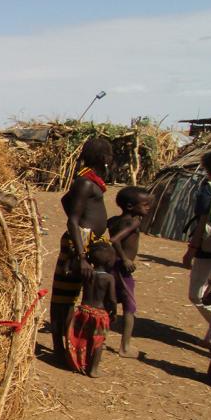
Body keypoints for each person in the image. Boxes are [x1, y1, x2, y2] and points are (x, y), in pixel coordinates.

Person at [50, 137, 113, 356]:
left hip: (87, 241)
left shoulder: (90, 182)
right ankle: (59, 346)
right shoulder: (85, 182)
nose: (111, 159)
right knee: (64, 297)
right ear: (103, 158)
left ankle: (68, 343)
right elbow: (72, 219)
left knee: (76, 294)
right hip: (80, 244)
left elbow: (66, 201)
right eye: (109, 155)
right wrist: (81, 255)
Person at [182, 150, 211, 343]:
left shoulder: (210, 189)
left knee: (197, 295)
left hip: (210, 248)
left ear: (208, 169)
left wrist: (191, 250)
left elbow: (202, 222)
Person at [107, 186, 152, 357]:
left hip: (111, 265)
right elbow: (115, 240)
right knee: (129, 307)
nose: (148, 207)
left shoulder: (112, 221)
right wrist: (125, 258)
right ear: (131, 206)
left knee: (108, 303)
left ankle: (100, 338)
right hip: (122, 268)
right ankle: (125, 347)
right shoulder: (134, 222)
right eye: (145, 205)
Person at [66, 242, 117, 377]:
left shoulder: (88, 274)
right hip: (99, 314)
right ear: (109, 261)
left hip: (83, 310)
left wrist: (72, 258)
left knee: (81, 338)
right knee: (98, 342)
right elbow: (112, 299)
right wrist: (114, 312)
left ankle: (77, 363)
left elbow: (69, 272)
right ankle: (93, 369)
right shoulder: (109, 278)